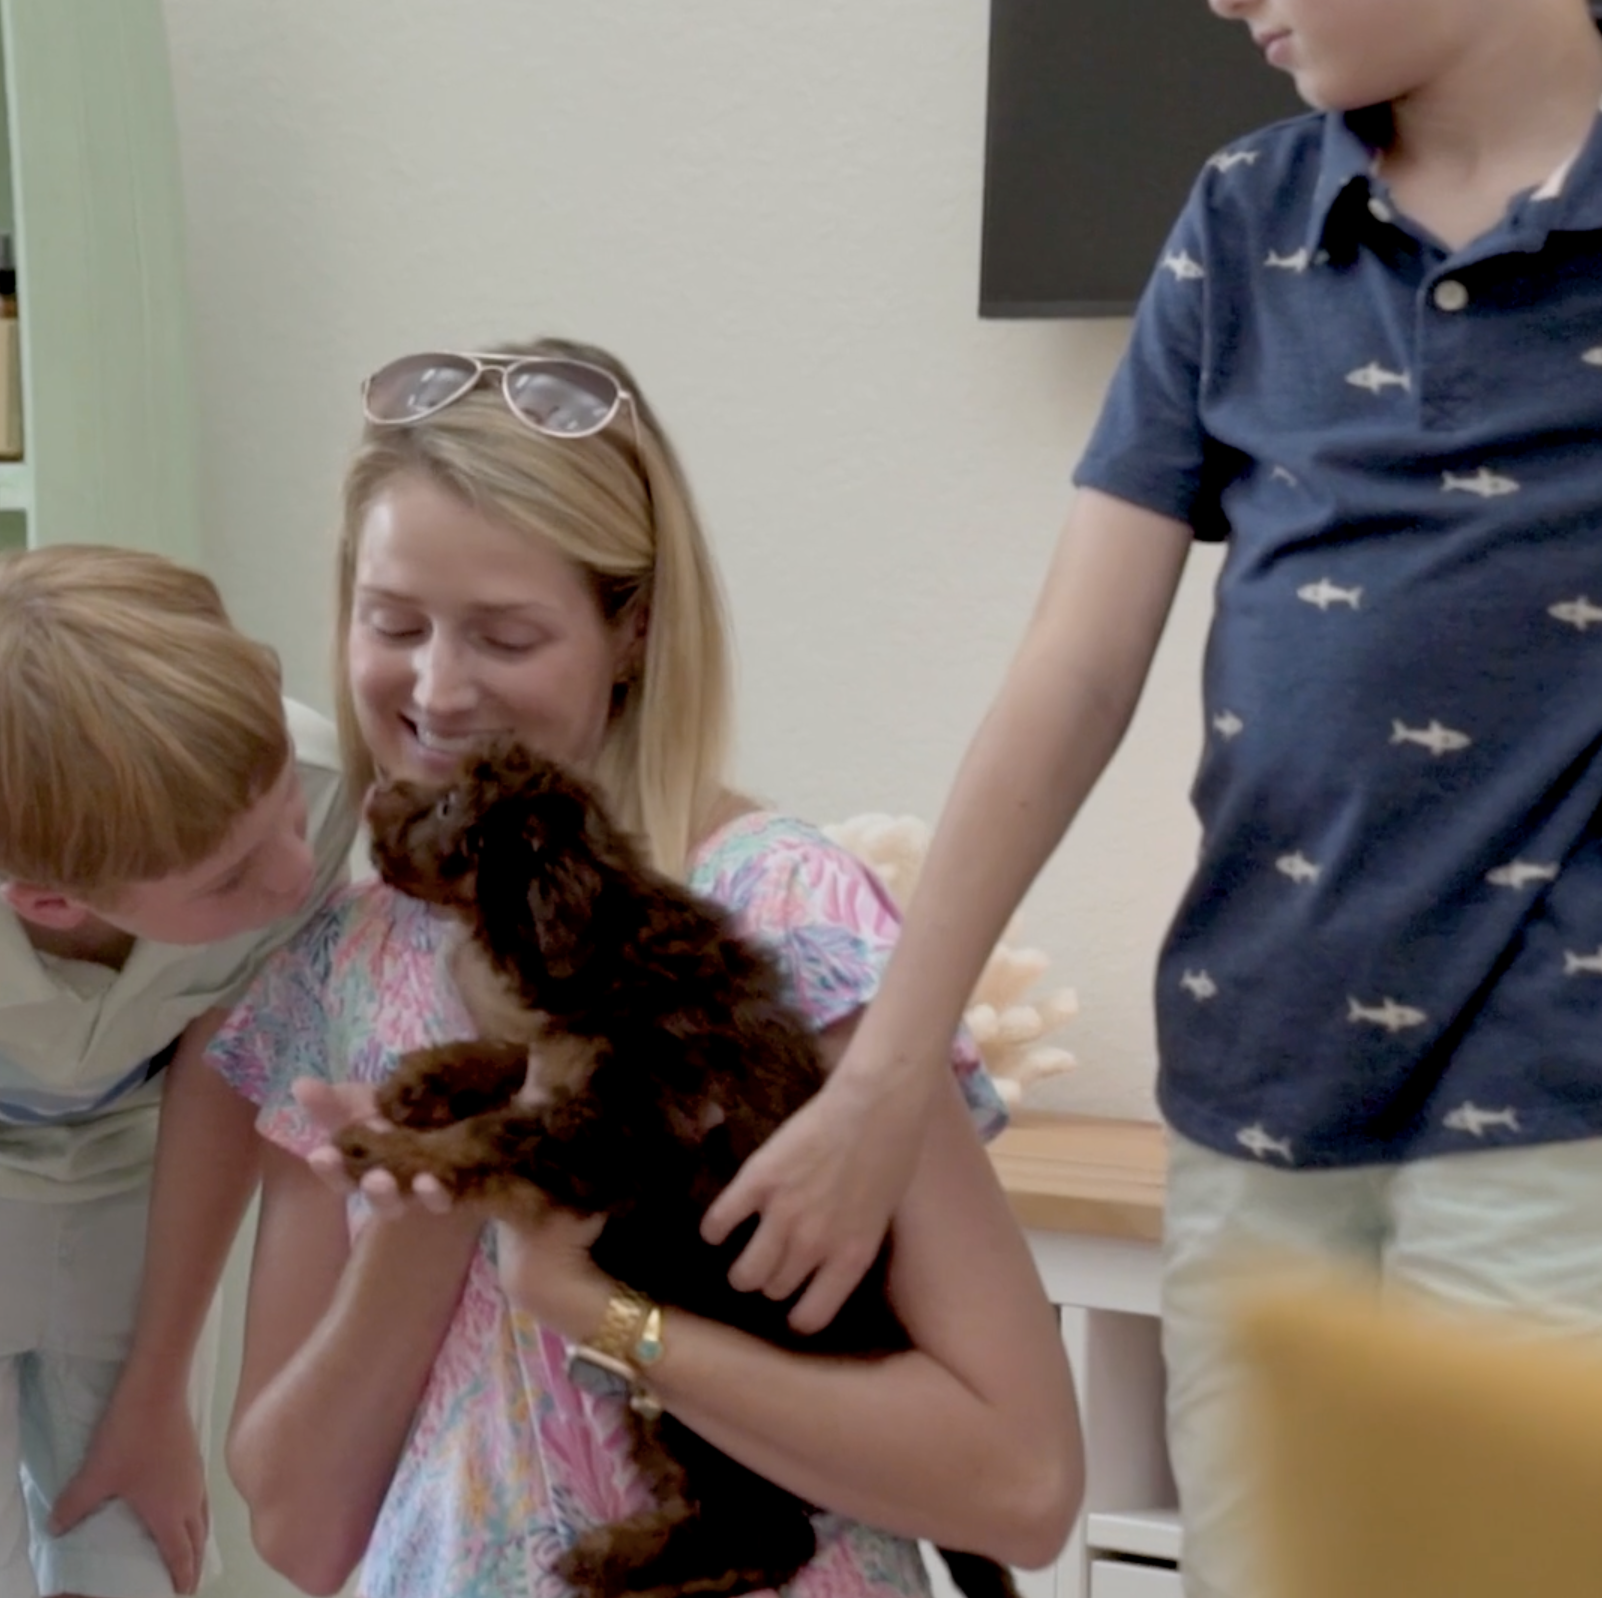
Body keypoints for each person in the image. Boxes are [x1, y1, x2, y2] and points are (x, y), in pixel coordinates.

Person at [697, 3, 1602, 1593]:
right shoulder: (1243, 221)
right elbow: (1073, 672)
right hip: (1261, 1083)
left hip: (1554, 1097)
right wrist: (887, 1073)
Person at [213, 342, 1084, 1598]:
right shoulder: (342, 967)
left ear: (632, 628)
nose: (436, 687)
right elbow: (298, 1530)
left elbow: (1021, 1484)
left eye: (505, 635)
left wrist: (596, 1307)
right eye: (391, 622)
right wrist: (429, 1219)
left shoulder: (780, 921)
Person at [0, 545, 362, 1598]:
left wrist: (156, 1396)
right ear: (51, 902)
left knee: (136, 1541)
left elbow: (224, 1065)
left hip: (142, 1159)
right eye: (231, 875)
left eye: (285, 811)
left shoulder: (316, 788)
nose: (295, 872)